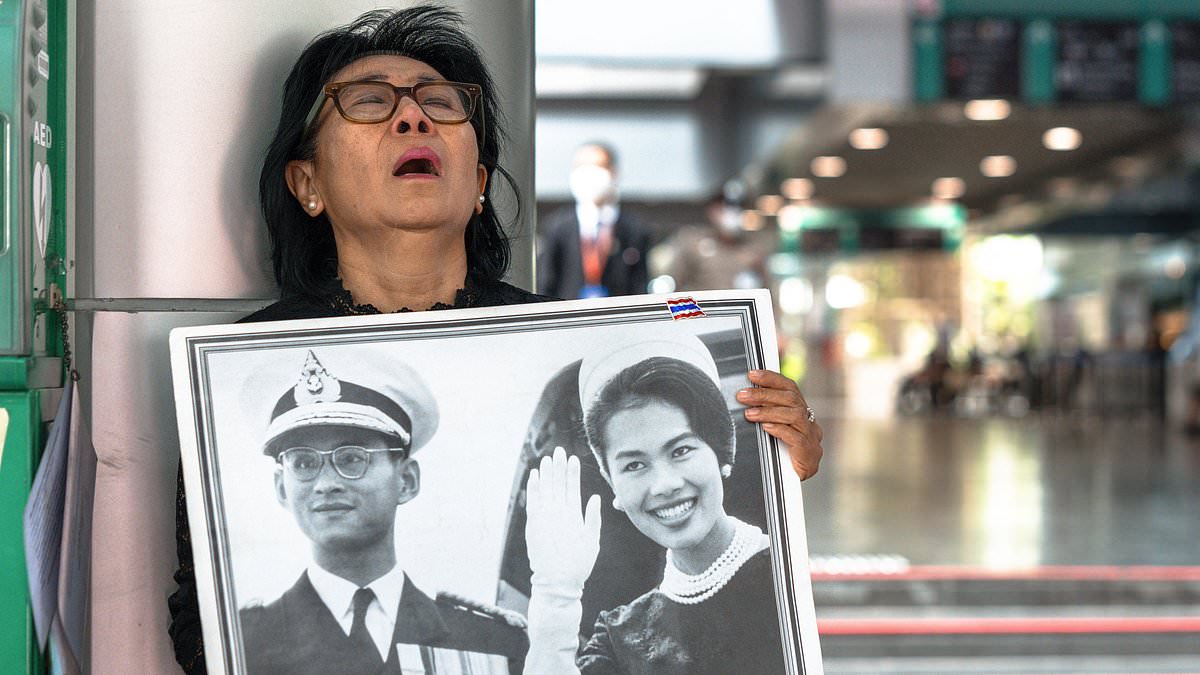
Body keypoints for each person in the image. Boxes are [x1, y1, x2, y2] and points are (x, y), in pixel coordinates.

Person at [169, 6, 823, 673]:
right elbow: (198, 617)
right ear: (308, 183)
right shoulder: (243, 362)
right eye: (369, 103)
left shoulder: (567, 373)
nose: (413, 118)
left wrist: (781, 465)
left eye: (440, 104)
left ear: (478, 184)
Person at [521, 336, 805, 674]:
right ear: (613, 485)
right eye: (634, 465)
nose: (665, 484)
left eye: (681, 450)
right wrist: (556, 594)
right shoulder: (619, 638)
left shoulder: (789, 574)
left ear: (721, 451)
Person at [239, 350, 527, 674]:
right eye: (304, 463)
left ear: (406, 480)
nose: (326, 483)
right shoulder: (242, 643)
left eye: (351, 458)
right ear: (281, 487)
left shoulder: (490, 641)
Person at [536, 143, 651, 299]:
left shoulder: (634, 228)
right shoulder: (557, 226)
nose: (589, 174)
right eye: (581, 166)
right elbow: (546, 283)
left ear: (613, 172)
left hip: (619, 318)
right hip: (569, 317)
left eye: (598, 166)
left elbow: (639, 285)